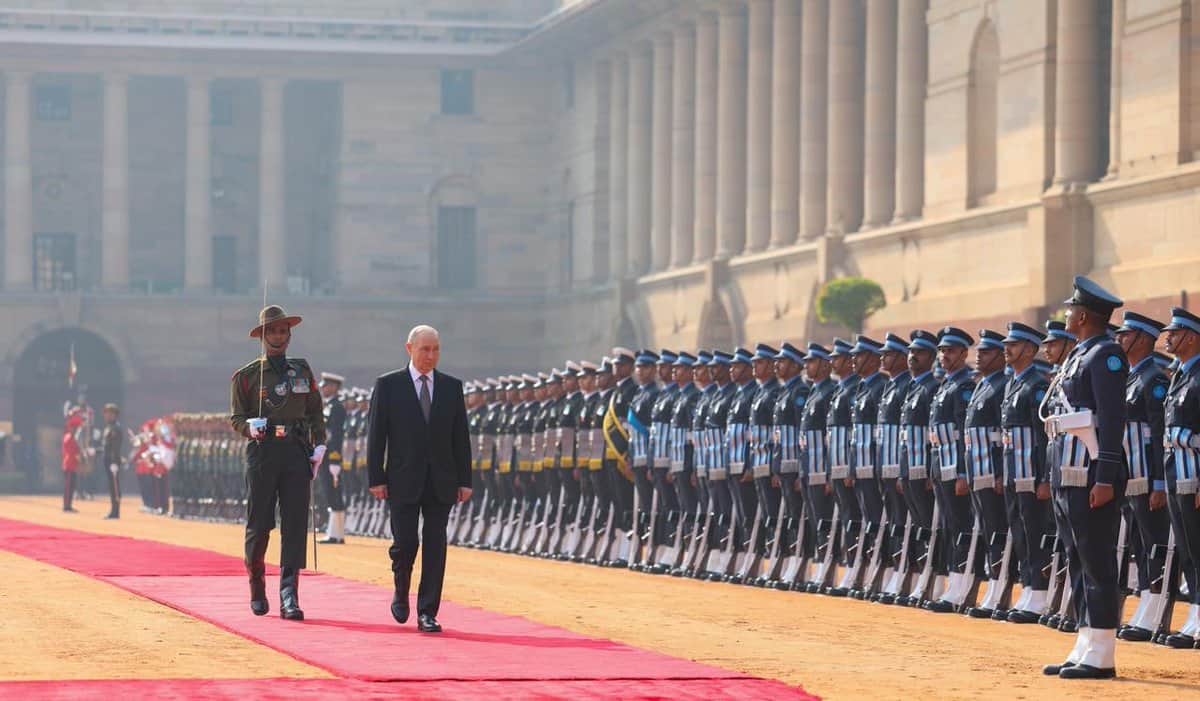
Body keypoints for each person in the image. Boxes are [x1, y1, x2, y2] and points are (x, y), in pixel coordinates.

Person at [1041, 276, 1127, 680]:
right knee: (1076, 559)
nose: (1067, 315)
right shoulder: (1080, 354)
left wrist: (1105, 477)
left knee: (1096, 561)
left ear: (1083, 316)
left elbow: (1112, 419)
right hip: (1068, 471)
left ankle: (1103, 652)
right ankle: (1085, 642)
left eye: (1071, 309)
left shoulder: (1106, 355)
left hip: (1092, 473)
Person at [367, 325, 472, 633]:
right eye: (425, 349)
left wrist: (465, 480)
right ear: (409, 348)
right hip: (402, 479)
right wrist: (376, 477)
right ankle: (401, 591)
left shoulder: (451, 387)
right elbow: (376, 436)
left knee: (436, 545)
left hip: (442, 480)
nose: (431, 355)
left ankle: (428, 611)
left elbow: (460, 437)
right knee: (406, 542)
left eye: (436, 349)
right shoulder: (389, 385)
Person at [229, 305, 327, 621]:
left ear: (289, 335)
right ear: (262, 336)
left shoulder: (302, 370)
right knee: (259, 524)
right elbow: (236, 417)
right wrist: (249, 428)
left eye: (283, 330)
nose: (278, 336)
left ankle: (289, 594)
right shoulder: (247, 376)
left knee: (295, 523)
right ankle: (257, 583)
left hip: (296, 451)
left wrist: (319, 444)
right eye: (272, 331)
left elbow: (315, 411)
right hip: (263, 452)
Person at [318, 372, 348, 544]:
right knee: (329, 492)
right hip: (326, 455)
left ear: (334, 387)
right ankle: (334, 532)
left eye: (326, 386)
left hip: (332, 457)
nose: (323, 389)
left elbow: (336, 435)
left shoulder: (337, 407)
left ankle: (337, 534)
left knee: (334, 492)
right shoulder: (329, 406)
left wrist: (335, 459)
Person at [101, 403, 123, 519]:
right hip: (108, 460)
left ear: (115, 415)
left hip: (113, 460)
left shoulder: (115, 428)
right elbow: (106, 446)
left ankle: (115, 511)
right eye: (106, 413)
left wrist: (114, 462)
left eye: (110, 413)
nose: (107, 416)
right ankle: (113, 510)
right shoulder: (108, 428)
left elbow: (115, 447)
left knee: (115, 487)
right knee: (111, 486)